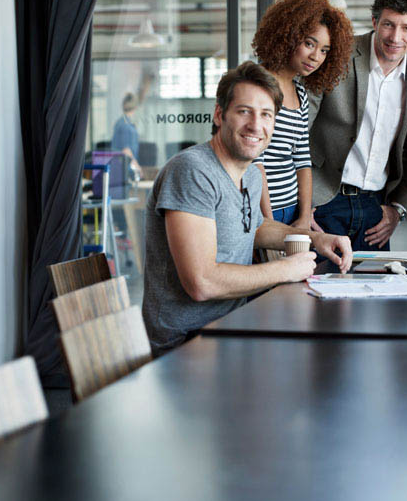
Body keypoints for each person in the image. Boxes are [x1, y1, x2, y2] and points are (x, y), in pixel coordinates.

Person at [142, 62, 353, 355]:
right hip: (187, 343)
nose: (256, 125)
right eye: (244, 111)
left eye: (266, 114)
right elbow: (201, 282)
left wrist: (314, 238)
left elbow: (255, 226)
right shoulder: (192, 170)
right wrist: (284, 269)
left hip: (235, 324)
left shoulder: (251, 173)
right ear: (219, 114)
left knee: (329, 352)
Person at [308, 0, 407, 251]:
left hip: (376, 209)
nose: (395, 37)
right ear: (374, 21)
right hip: (322, 200)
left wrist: (397, 209)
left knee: (375, 291)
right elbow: (299, 129)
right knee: (316, 291)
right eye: (389, 24)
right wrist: (301, 204)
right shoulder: (339, 54)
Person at [250, 0, 354, 228]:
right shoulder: (259, 85)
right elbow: (256, 162)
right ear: (288, 36)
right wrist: (267, 221)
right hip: (262, 211)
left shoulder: (300, 93)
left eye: (324, 50)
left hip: (293, 212)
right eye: (309, 43)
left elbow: (302, 159)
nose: (316, 57)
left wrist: (305, 215)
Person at [112, 92, 143, 178]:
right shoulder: (126, 125)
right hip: (124, 169)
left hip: (123, 167)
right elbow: (126, 151)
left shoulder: (122, 122)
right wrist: (137, 167)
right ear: (135, 107)